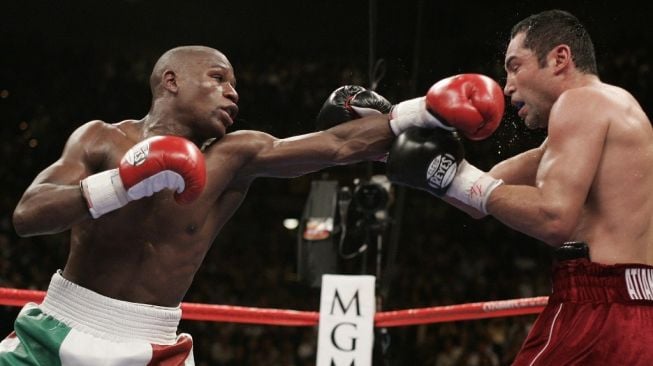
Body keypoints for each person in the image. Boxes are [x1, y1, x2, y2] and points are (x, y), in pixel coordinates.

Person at [0, 45, 502, 365]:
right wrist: (124, 181)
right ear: (170, 81)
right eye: (218, 78)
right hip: (58, 330)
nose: (232, 92)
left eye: (234, 83)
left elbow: (338, 145)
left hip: (151, 344)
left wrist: (426, 110)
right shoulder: (101, 140)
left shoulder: (237, 155)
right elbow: (28, 215)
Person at [387, 9, 653, 365]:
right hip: (637, 307)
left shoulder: (582, 101)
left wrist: (455, 177)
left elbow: (553, 217)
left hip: (600, 309)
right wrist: (405, 145)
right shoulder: (605, 115)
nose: (507, 85)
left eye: (515, 66)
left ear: (560, 58)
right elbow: (481, 192)